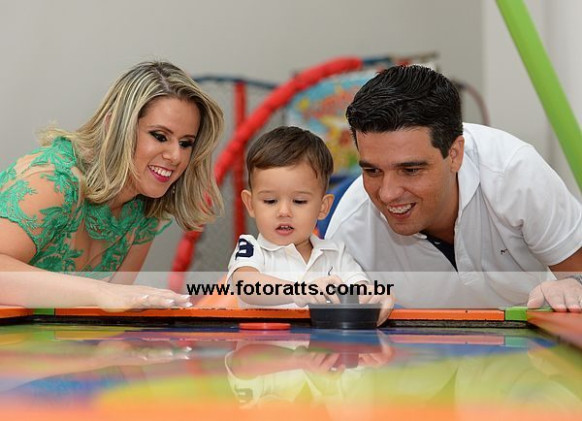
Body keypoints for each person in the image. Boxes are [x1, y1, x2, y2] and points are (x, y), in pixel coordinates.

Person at [325, 64, 582, 311]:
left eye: (410, 170)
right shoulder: (350, 227)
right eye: (372, 171)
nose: (388, 193)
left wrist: (574, 286)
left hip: (532, 337)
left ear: (455, 154)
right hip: (419, 342)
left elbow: (578, 278)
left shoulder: (515, 174)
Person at [0, 60, 224, 310]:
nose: (176, 156)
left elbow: (113, 311)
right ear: (113, 126)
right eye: (160, 136)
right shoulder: (53, 180)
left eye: (186, 143)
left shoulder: (144, 209)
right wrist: (101, 291)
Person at [227, 126, 393, 324]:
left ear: (323, 207)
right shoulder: (251, 248)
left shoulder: (335, 254)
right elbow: (246, 285)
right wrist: (299, 290)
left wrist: (376, 296)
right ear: (250, 204)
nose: (284, 212)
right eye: (270, 201)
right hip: (263, 343)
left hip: (319, 343)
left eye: (299, 201)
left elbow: (361, 290)